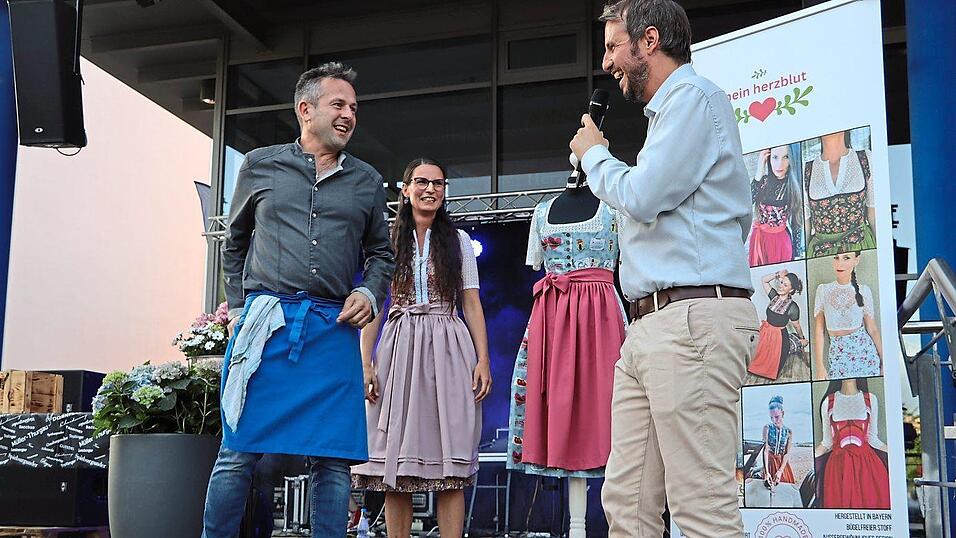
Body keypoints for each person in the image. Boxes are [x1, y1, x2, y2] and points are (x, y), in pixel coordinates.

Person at [570, 1, 759, 535]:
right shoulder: (669, 115)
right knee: (626, 503)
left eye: (613, 46)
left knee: (701, 505)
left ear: (648, 41)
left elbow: (643, 195)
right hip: (652, 324)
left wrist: (594, 155)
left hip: (691, 319)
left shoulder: (693, 99)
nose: (607, 62)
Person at [202, 62, 395, 538]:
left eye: (354, 108)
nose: (349, 115)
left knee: (333, 458)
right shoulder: (259, 165)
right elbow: (234, 242)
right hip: (266, 327)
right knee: (239, 449)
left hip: (333, 329)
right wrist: (239, 308)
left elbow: (381, 254)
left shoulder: (367, 180)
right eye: (338, 105)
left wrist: (368, 291)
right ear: (305, 110)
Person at [351, 158, 492, 537]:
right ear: (406, 189)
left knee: (451, 464)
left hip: (449, 345)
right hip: (399, 345)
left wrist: (483, 359)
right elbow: (375, 304)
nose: (430, 189)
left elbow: (471, 302)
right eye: (422, 182)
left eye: (438, 183)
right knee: (395, 463)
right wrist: (365, 363)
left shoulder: (459, 241)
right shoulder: (386, 241)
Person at [814, 378, 890, 509]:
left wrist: (898, 453)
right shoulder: (828, 402)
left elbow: (873, 439)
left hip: (867, 468)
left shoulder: (870, 399)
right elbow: (827, 442)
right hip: (838, 468)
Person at [805, 130, 876, 257]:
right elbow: (805, 227)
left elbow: (874, 216)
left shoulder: (866, 159)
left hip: (862, 248)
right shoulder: (806, 170)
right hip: (821, 254)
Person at [813, 251, 883, 380]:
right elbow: (819, 331)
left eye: (846, 258)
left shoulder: (864, 291)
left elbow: (872, 329)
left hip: (865, 354)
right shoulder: (823, 290)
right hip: (837, 354)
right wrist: (820, 366)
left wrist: (884, 361)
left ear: (856, 260)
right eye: (836, 258)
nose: (840, 263)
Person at [747, 270, 808, 382]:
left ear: (791, 290)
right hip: (765, 331)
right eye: (781, 282)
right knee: (755, 355)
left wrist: (802, 338)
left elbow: (797, 326)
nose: (781, 286)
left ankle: (797, 343)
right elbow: (764, 280)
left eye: (785, 285)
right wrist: (777, 275)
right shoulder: (774, 296)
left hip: (779, 338)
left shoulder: (793, 307)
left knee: (773, 361)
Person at [749, 144, 804, 265]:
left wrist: (796, 255)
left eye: (786, 157)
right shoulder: (762, 182)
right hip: (759, 241)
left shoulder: (793, 188)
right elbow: (746, 204)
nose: (780, 164)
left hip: (780, 243)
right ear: (768, 158)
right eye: (775, 157)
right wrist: (759, 171)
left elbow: (796, 224)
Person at [762, 396, 795, 492]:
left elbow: (787, 453)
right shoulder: (767, 428)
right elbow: (765, 451)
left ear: (782, 413)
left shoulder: (788, 431)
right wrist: (766, 472)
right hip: (769, 462)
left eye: (777, 417)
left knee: (785, 490)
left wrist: (780, 471)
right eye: (771, 417)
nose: (774, 420)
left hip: (782, 464)